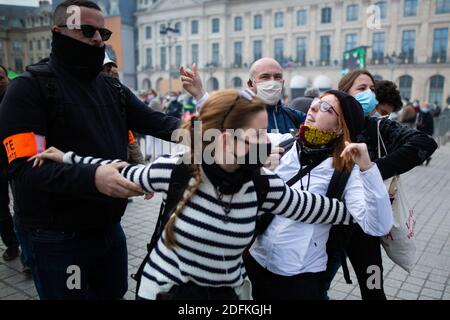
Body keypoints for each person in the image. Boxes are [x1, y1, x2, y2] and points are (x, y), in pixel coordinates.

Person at [32, 89, 359, 300]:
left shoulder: (261, 185)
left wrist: (362, 207)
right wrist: (69, 159)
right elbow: (124, 172)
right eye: (256, 134)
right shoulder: (182, 170)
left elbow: (315, 208)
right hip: (166, 293)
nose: (266, 143)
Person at [0, 0, 180, 300]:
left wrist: (214, 137)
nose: (97, 39)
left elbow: (161, 123)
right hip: (57, 236)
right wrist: (93, 177)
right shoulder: (29, 88)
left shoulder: (113, 88)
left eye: (102, 33)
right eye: (86, 30)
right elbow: (24, 165)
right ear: (58, 32)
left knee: (113, 293)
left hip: (109, 227)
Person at [246, 90, 393, 300]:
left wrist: (368, 169)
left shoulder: (345, 172)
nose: (313, 107)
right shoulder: (284, 144)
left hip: (299, 278)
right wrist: (256, 157)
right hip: (256, 262)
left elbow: (378, 225)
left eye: (326, 108)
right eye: (316, 102)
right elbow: (230, 140)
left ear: (339, 127)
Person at [324, 70, 438, 300]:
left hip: (365, 231)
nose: (369, 94)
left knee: (374, 289)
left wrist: (372, 171)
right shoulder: (326, 123)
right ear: (344, 92)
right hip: (328, 226)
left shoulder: (378, 127)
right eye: (362, 88)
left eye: (372, 90)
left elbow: (425, 142)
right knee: (317, 287)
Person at [180, 58, 305, 134]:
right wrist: (199, 94)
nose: (272, 81)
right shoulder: (237, 114)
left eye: (277, 77)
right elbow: (210, 123)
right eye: (265, 77)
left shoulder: (293, 117)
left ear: (282, 82)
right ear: (250, 83)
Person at [0, 64, 21, 262]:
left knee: (22, 207)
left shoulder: (18, 100)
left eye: (0, 77)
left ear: (7, 78)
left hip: (17, 162)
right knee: (1, 210)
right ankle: (12, 245)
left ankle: (29, 257)